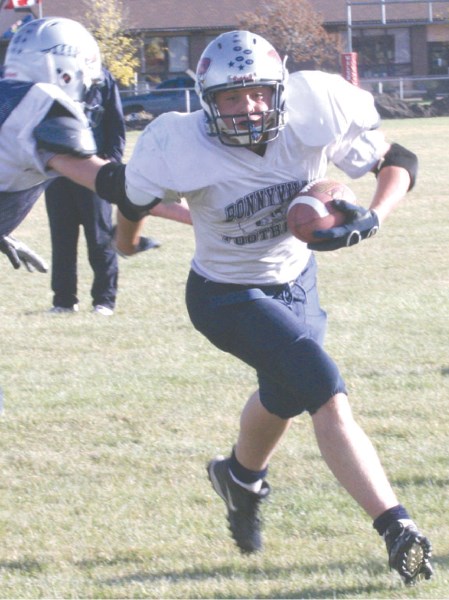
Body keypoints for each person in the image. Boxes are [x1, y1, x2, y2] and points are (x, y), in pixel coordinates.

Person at [110, 31, 433, 586]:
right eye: (231, 98)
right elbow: (132, 198)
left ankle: (239, 477)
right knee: (323, 388)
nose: (248, 107)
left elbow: (398, 160)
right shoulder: (179, 143)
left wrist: (375, 216)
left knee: (283, 395)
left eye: (258, 92)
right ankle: (396, 526)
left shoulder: (316, 108)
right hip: (224, 294)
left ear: (280, 88)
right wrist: (123, 243)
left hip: (295, 279)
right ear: (207, 102)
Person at [0, 16, 190, 258]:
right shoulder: (39, 104)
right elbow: (116, 185)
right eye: (86, 83)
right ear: (65, 75)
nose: (89, 92)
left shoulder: (9, 97)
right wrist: (205, 214)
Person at [45, 68, 127, 316]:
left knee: (100, 237)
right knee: (62, 239)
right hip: (58, 170)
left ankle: (104, 300)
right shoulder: (46, 73)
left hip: (93, 168)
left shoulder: (101, 76)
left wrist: (109, 163)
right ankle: (64, 300)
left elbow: (115, 121)